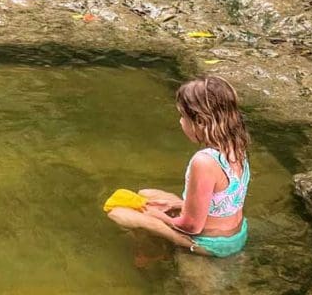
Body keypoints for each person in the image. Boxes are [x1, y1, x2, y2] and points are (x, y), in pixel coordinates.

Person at [106, 76, 251, 258]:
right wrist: (174, 204)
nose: (180, 122)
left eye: (183, 116)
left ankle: (171, 245)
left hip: (211, 244)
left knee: (118, 213)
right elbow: (221, 200)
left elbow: (192, 226)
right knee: (146, 194)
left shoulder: (204, 161)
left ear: (199, 121)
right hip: (236, 234)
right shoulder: (238, 145)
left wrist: (158, 217)